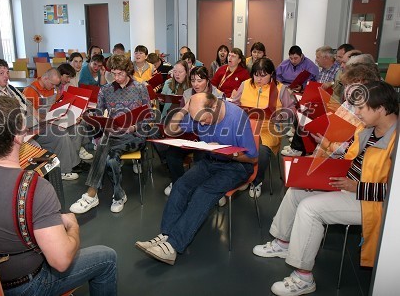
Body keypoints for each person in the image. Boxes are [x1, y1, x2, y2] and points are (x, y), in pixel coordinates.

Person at [0, 95, 117, 296]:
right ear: (17, 136)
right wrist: (73, 226)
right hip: (24, 286)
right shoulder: (35, 188)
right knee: (107, 258)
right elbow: (61, 260)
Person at [253, 80, 398, 296]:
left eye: (361, 108)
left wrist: (357, 186)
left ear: (382, 109)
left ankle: (303, 277)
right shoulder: (368, 130)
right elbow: (349, 157)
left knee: (310, 208)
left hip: (369, 201)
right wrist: (327, 160)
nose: (356, 113)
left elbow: (393, 193)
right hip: (347, 185)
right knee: (297, 190)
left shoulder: (395, 141)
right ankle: (283, 241)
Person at [135, 93, 258, 265]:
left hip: (236, 165)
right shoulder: (197, 114)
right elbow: (170, 130)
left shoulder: (237, 118)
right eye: (196, 119)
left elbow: (252, 159)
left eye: (202, 119)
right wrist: (186, 108)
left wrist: (229, 152)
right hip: (211, 160)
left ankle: (174, 245)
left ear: (214, 107)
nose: (200, 123)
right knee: (181, 184)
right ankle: (166, 235)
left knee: (203, 192)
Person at [69, 55, 151, 214]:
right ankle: (119, 195)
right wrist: (87, 118)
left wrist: (134, 127)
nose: (116, 77)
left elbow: (148, 117)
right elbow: (99, 115)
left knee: (105, 142)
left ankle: (91, 194)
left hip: (135, 136)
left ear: (128, 71)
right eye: (113, 73)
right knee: (111, 158)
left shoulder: (140, 88)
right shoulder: (105, 90)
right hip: (114, 135)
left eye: (120, 73)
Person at [0, 59, 81, 181]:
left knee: (60, 132)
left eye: (7, 72)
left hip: (30, 124)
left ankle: (65, 168)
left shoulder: (10, 88)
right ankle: (47, 175)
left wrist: (38, 118)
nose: (6, 76)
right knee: (44, 141)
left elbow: (27, 103)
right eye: (1, 73)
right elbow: (1, 122)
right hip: (15, 132)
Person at [232, 58, 295, 198]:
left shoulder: (280, 88)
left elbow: (291, 110)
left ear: (271, 74)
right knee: (233, 146)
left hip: (270, 127)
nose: (258, 79)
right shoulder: (245, 84)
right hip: (246, 126)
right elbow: (234, 104)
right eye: (256, 74)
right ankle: (243, 176)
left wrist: (279, 115)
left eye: (263, 75)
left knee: (262, 150)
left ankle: (256, 181)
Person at [163, 66, 224, 197]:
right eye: (193, 80)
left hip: (209, 137)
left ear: (207, 80)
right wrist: (185, 110)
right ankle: (179, 184)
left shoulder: (217, 95)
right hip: (189, 135)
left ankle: (202, 188)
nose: (196, 84)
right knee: (172, 154)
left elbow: (219, 122)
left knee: (201, 157)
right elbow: (182, 120)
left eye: (199, 80)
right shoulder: (187, 94)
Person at [23, 67, 93, 162]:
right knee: (62, 133)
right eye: (52, 84)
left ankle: (75, 159)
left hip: (54, 120)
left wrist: (72, 118)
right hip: (40, 126)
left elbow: (60, 105)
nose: (53, 87)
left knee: (76, 127)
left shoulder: (53, 89)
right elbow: (31, 119)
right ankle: (67, 165)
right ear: (45, 78)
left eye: (55, 85)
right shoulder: (30, 91)